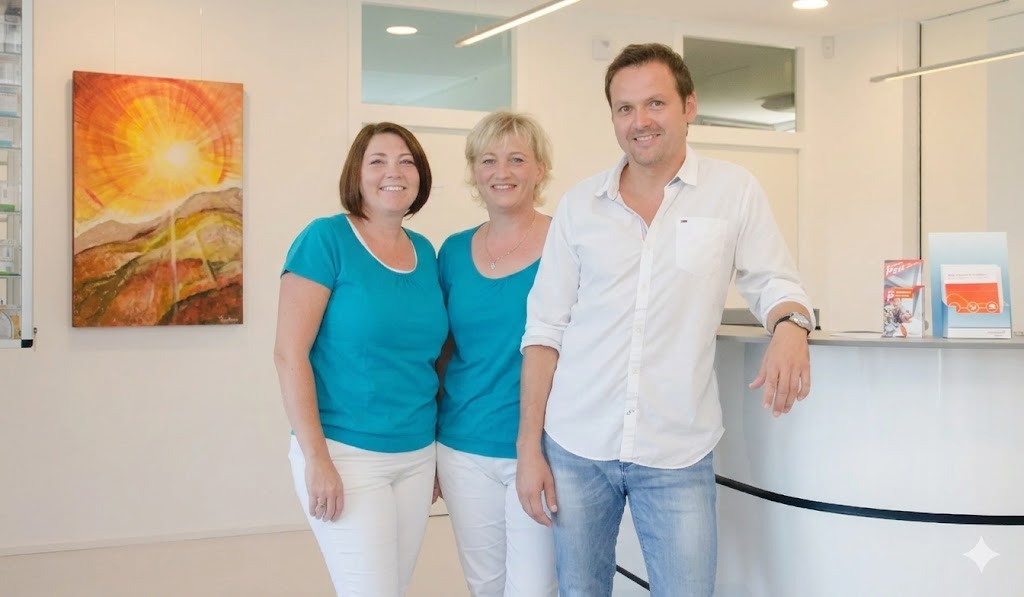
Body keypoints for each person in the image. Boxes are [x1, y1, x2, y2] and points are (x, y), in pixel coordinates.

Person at [515, 43, 816, 597]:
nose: (641, 121)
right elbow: (543, 332)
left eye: (655, 103)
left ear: (688, 106)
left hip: (677, 449)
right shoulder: (580, 206)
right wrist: (528, 449)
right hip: (577, 444)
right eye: (625, 108)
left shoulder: (733, 191)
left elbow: (774, 282)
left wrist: (792, 326)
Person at [273, 122, 448, 596]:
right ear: (357, 173)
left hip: (416, 454)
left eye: (406, 161)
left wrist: (435, 455)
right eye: (378, 161)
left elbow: (430, 361)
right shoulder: (325, 240)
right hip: (346, 454)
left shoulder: (425, 252)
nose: (394, 172)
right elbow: (289, 354)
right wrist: (316, 458)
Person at [435, 111, 558, 597]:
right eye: (488, 160)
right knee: (485, 586)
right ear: (474, 171)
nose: (501, 172)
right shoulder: (451, 252)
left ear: (540, 169)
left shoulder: (567, 243)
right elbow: (442, 352)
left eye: (516, 159)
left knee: (534, 589)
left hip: (544, 448)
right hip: (463, 447)